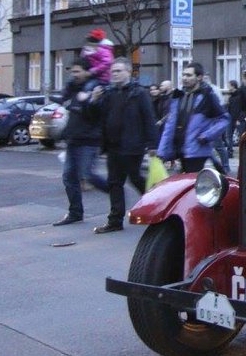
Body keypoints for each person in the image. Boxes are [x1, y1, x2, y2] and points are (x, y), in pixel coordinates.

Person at [88, 57, 157, 234]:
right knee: (114, 183)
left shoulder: (139, 93)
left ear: (128, 72)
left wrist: (152, 145)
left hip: (132, 145)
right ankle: (115, 220)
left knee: (135, 179)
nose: (115, 74)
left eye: (118, 71)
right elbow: (95, 117)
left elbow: (149, 119)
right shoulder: (109, 94)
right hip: (113, 146)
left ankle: (157, 209)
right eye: (113, 71)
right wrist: (94, 101)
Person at [52, 58, 109, 226]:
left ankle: (115, 194)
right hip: (74, 139)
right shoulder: (73, 88)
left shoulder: (96, 88)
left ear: (86, 71)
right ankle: (75, 212)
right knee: (69, 177)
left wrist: (90, 100)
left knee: (88, 175)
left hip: (89, 140)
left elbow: (95, 114)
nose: (74, 75)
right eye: (73, 72)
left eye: (77, 71)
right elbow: (66, 102)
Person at [158, 63, 230, 174]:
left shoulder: (207, 96)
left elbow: (224, 119)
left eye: (189, 75)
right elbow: (170, 125)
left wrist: (207, 136)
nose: (184, 78)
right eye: (183, 75)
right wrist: (163, 150)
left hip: (197, 151)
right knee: (184, 183)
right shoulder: (178, 96)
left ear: (199, 77)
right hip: (180, 148)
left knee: (191, 182)